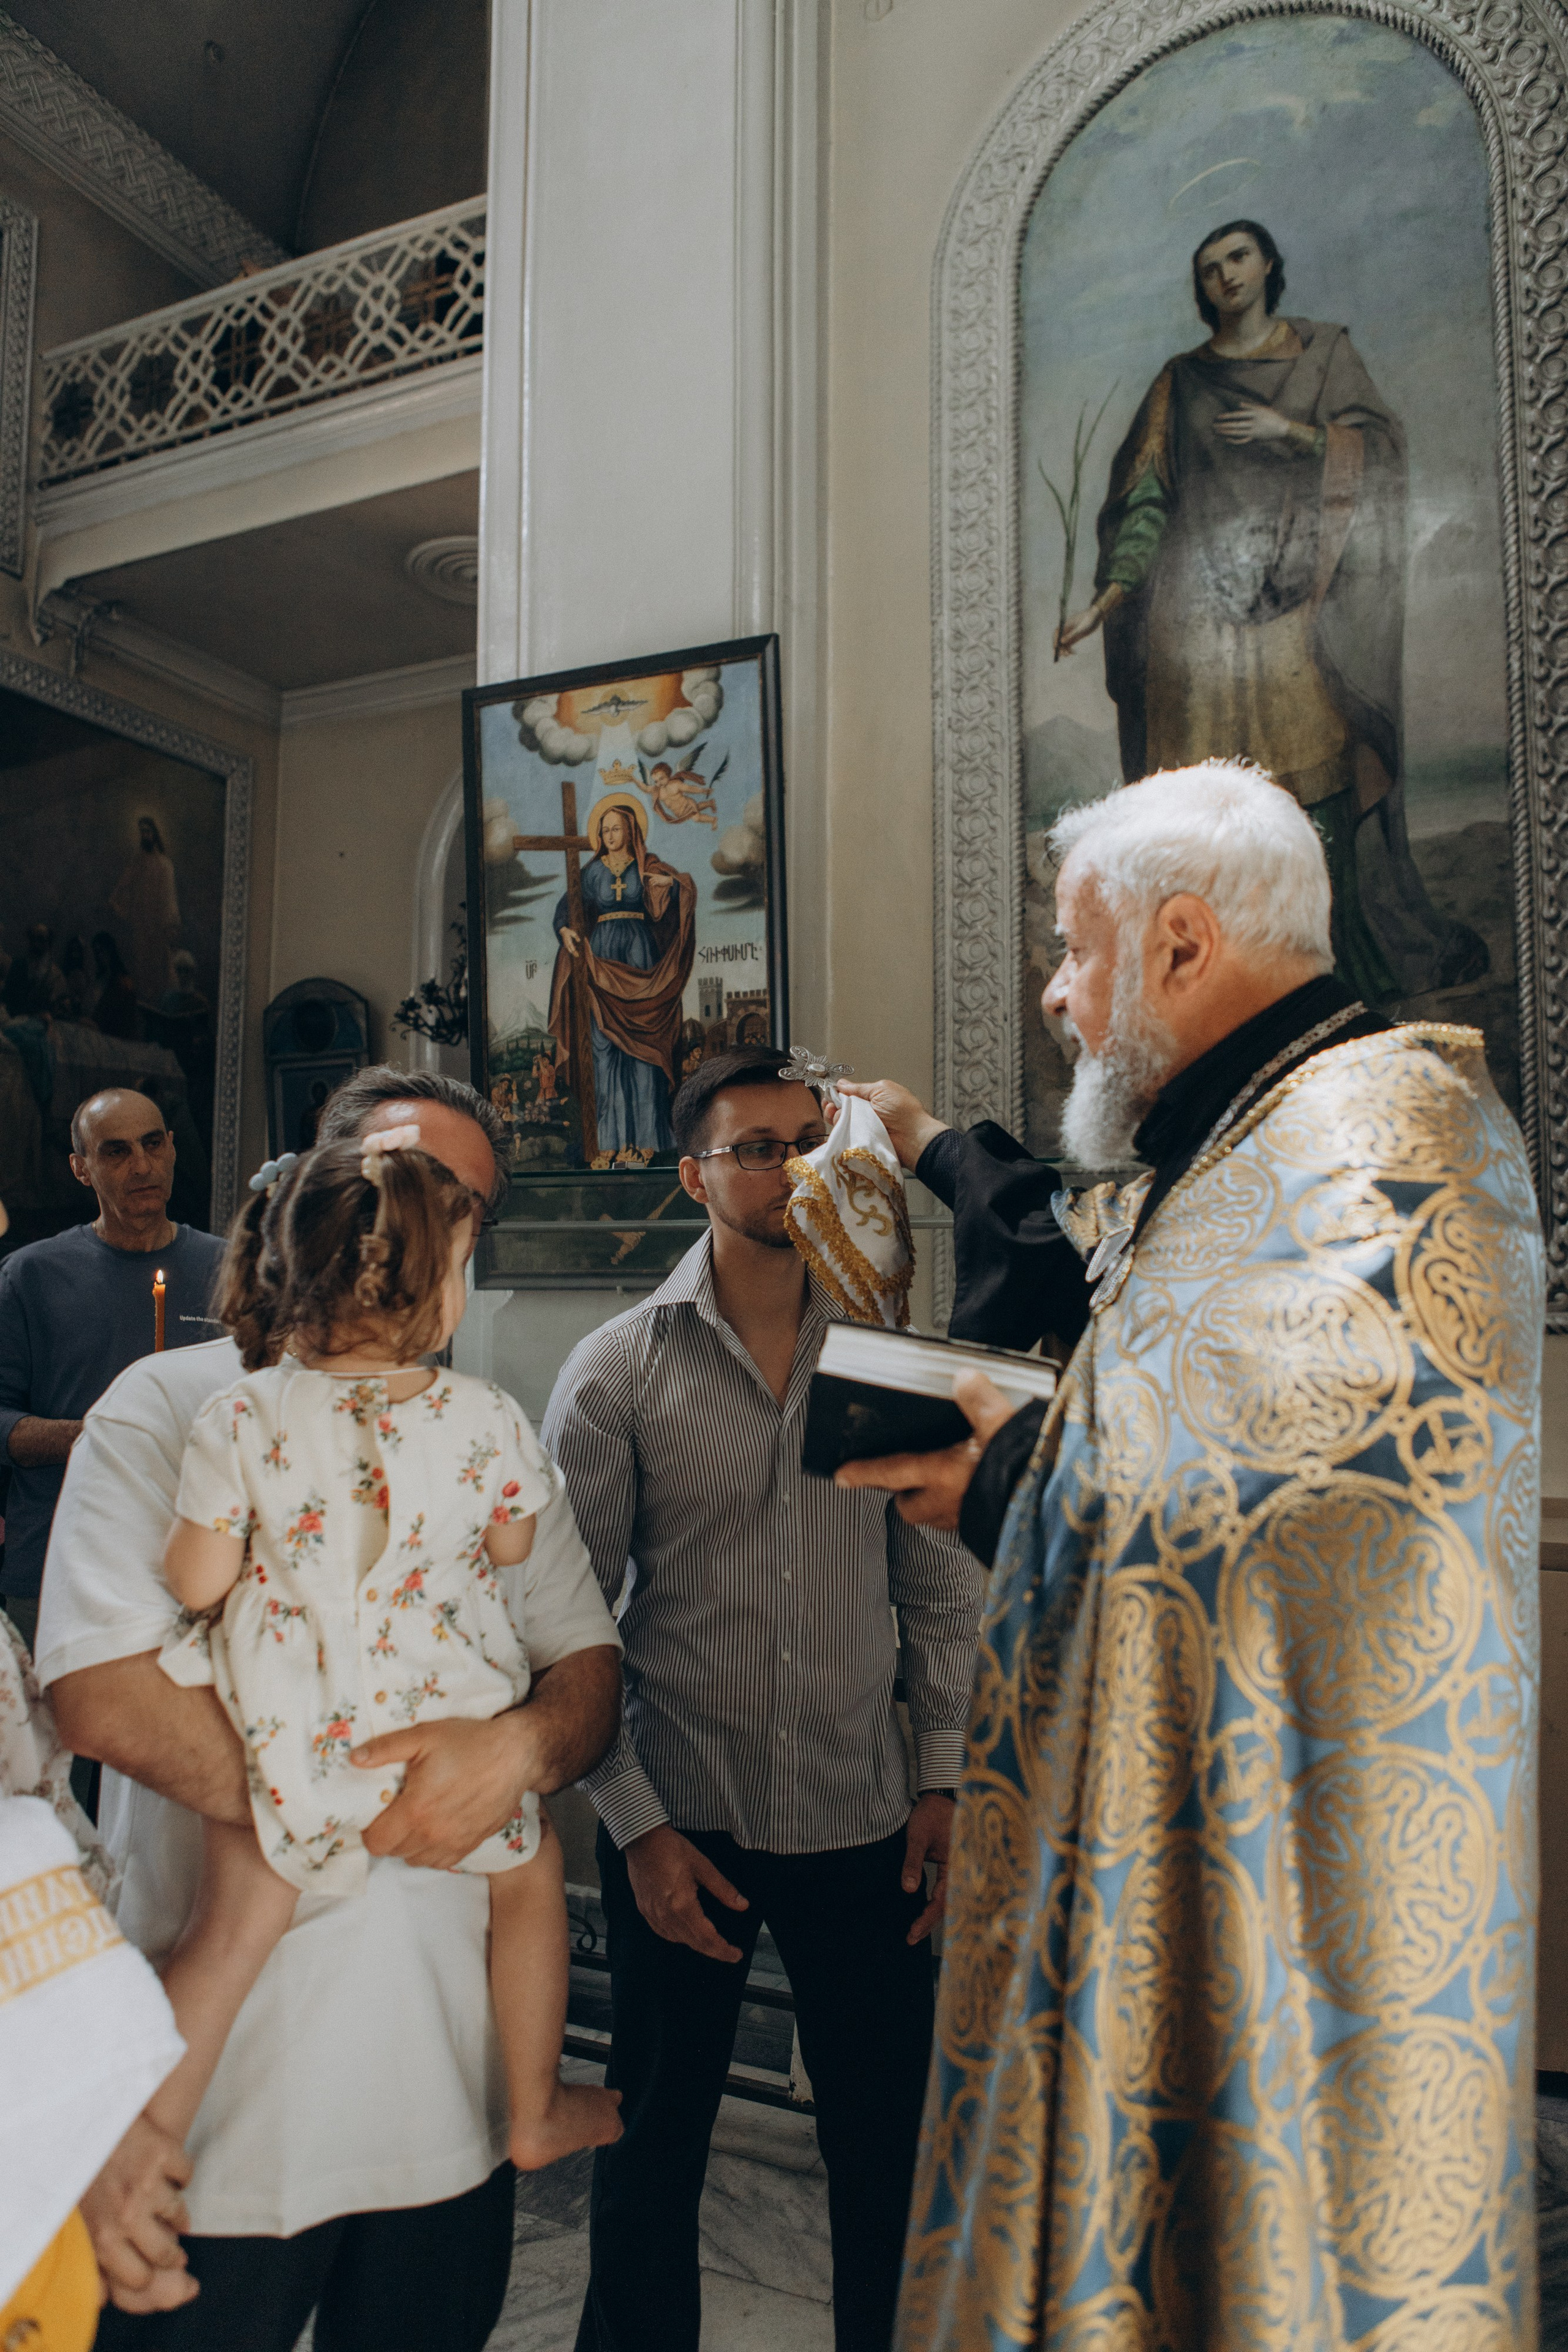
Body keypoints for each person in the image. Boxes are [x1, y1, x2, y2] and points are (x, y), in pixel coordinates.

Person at [837, 764, 1542, 2351]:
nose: (1056, 996)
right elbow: (1099, 1280)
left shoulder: (1390, 1131)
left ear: (1176, 945)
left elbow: (1296, 1480)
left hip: (1310, 1905)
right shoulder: (1252, 1145)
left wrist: (1007, 1466)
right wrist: (935, 1149)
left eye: (1076, 956)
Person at [34, 1067, 624, 2350]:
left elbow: (582, 1669)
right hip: (232, 2110)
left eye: (455, 1197)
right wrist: (348, 1800)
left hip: (446, 2096)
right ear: (301, 1189)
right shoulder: (176, 1403)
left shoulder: (480, 1427)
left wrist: (516, 1746)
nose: (414, 1212)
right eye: (395, 1170)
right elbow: (98, 1690)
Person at [543, 1044, 982, 2352]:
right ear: (692, 1174)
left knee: (885, 2150)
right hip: (690, 1818)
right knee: (651, 2143)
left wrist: (945, 1777)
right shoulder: (620, 1368)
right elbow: (566, 1620)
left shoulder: (883, 1359)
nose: (788, 1167)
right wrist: (636, 1824)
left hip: (861, 1815)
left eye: (807, 1141)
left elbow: (939, 1586)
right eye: (754, 1146)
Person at [146, 1128, 622, 2174]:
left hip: (289, 1744)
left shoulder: (238, 1416)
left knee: (226, 1936)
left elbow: (193, 1584)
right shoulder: (486, 1419)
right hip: (437, 1742)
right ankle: (536, 2109)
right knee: (530, 1877)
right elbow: (513, 1545)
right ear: (440, 1288)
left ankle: (147, 2143)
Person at [1055, 218, 1485, 1002]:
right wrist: (1106, 601)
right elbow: (1145, 498)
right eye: (1210, 267)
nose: (1225, 275)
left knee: (1313, 784)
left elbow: (1380, 452)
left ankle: (1332, 962)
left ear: (1268, 265)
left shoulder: (1323, 354)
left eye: (1238, 258)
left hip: (1298, 611)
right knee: (1202, 822)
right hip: (1197, 635)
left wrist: (1288, 431)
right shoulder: (1179, 382)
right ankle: (1218, 988)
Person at [0, 1089, 224, 1653]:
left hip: (197, 1559)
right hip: (58, 1563)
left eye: (153, 1144)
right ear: (81, 1169)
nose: (142, 1166)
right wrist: (92, 1438)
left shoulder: (232, 1268)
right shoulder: (30, 1276)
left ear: (173, 1148)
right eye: (116, 1151)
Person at [549, 794, 696, 1156]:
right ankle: (610, 1144)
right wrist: (565, 930)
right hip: (599, 958)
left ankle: (647, 1142)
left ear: (631, 831)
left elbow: (677, 896)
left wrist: (667, 889)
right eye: (605, 829)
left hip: (640, 954)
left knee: (643, 1053)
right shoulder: (593, 872)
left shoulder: (646, 867)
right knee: (604, 1050)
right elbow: (566, 907)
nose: (610, 835)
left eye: (616, 828)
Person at [110, 816, 181, 1011]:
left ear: (155, 834)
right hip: (141, 926)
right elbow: (120, 889)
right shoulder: (138, 863)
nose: (145, 836)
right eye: (142, 832)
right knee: (141, 969)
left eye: (148, 832)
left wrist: (170, 925)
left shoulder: (165, 864)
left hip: (158, 927)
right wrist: (125, 912)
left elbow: (170, 898)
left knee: (159, 969)